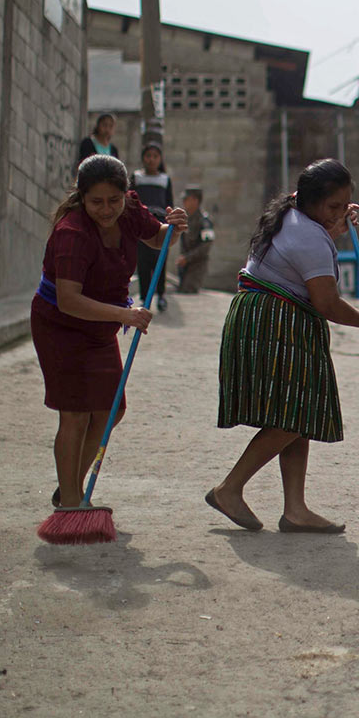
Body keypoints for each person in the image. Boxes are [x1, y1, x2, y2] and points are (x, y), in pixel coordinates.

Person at [207, 159, 359, 534]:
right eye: (333, 207)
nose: (340, 214)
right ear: (310, 202)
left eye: (344, 205)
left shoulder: (293, 212)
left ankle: (295, 509)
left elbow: (313, 260)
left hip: (270, 316)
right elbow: (327, 303)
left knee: (296, 417)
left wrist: (334, 224)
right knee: (293, 416)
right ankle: (230, 488)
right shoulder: (308, 237)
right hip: (275, 321)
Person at [31, 154, 186, 508]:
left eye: (113, 200)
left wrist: (174, 227)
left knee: (110, 408)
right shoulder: (72, 233)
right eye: (97, 202)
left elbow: (159, 239)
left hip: (101, 324)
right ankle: (71, 501)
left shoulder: (129, 210)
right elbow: (69, 300)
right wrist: (125, 315)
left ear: (125, 194)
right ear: (82, 198)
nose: (107, 209)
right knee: (74, 412)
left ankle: (70, 484)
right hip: (60, 325)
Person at [130, 143, 174, 311]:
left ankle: (161, 295)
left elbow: (169, 202)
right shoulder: (136, 177)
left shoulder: (165, 179)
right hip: (141, 223)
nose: (151, 159)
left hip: (160, 224)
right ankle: (143, 298)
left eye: (155, 156)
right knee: (142, 261)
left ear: (160, 159)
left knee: (160, 260)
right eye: (148, 156)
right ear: (143, 158)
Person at [176, 185, 215, 294]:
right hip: (185, 266)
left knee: (189, 292)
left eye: (186, 199)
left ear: (195, 200)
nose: (183, 202)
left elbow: (206, 246)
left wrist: (187, 258)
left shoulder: (205, 221)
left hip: (196, 266)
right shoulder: (186, 219)